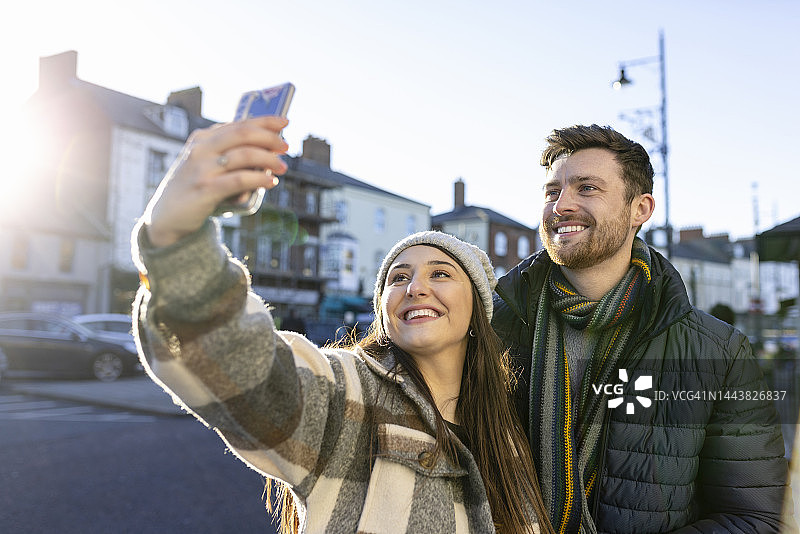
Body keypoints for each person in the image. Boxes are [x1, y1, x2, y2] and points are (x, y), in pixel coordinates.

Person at [131, 116, 552, 534]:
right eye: (398, 278)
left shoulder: (509, 427)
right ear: (383, 310)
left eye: (440, 274)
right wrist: (175, 235)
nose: (415, 288)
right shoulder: (345, 395)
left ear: (478, 307)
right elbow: (238, 362)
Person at [491, 124, 791, 533]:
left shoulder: (719, 352)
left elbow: (752, 516)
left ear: (641, 209)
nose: (561, 206)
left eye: (587, 188)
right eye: (552, 191)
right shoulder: (489, 326)